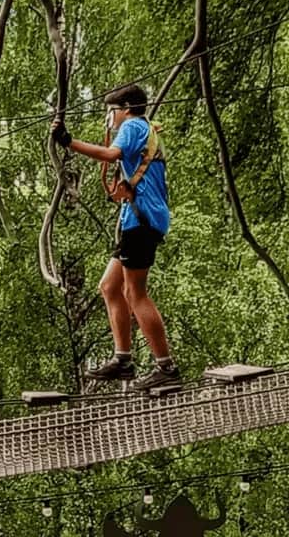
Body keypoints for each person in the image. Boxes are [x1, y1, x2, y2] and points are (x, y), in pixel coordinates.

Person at [50, 83, 180, 391]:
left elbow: (111, 154)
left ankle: (166, 367)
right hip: (139, 218)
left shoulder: (133, 125)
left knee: (136, 293)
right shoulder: (143, 128)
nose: (108, 118)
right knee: (109, 286)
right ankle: (123, 359)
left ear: (125, 109)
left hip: (141, 220)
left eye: (111, 111)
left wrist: (69, 142)